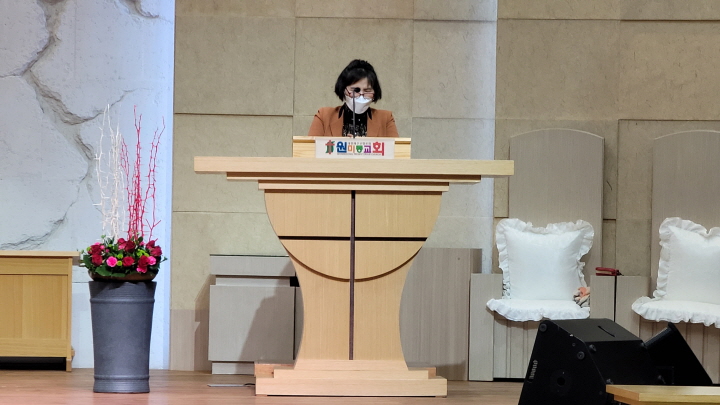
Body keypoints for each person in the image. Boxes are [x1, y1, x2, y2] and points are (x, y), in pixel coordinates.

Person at [308, 59, 399, 138]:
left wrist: (364, 146)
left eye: (367, 90)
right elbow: (310, 148)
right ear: (343, 89)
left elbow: (397, 150)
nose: (361, 95)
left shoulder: (386, 118)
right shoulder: (324, 116)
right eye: (355, 90)